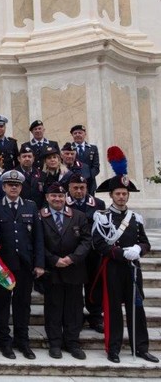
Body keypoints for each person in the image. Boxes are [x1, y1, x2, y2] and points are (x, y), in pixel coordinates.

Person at [92, 147, 158, 363]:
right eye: (118, 193)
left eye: (124, 194)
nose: (121, 197)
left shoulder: (136, 218)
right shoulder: (102, 217)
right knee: (112, 311)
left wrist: (139, 250)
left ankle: (141, 347)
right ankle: (114, 348)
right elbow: (100, 244)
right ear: (111, 195)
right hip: (112, 268)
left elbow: (145, 242)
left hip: (133, 269)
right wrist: (121, 253)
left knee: (137, 308)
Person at [0, 170, 45, 360]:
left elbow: (38, 238)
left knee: (23, 305)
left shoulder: (31, 207)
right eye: (10, 185)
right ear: (4, 187)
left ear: (21, 187)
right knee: (2, 304)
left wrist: (39, 264)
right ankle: (4, 341)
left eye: (17, 185)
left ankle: (23, 341)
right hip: (3, 266)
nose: (13, 188)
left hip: (25, 265)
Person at [40, 183, 90, 360]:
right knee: (53, 307)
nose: (57, 199)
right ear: (47, 198)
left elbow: (86, 241)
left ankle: (72, 342)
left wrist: (72, 258)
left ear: (65, 197)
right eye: (53, 196)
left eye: (60, 196)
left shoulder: (79, 216)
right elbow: (38, 244)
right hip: (52, 270)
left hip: (74, 269)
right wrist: (54, 260)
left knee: (74, 308)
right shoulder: (40, 217)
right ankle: (54, 343)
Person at [66, 174, 105, 333]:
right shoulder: (62, 202)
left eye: (82, 188)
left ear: (87, 188)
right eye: (75, 188)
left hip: (93, 253)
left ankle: (96, 316)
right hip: (72, 252)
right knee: (74, 286)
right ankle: (77, 317)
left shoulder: (98, 203)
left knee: (94, 285)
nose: (79, 191)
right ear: (69, 188)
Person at [69, 125, 100, 194]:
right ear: (72, 135)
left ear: (84, 134)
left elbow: (96, 167)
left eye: (80, 133)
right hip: (73, 183)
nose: (77, 135)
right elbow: (66, 166)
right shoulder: (68, 149)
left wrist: (87, 177)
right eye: (75, 133)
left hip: (90, 183)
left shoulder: (93, 148)